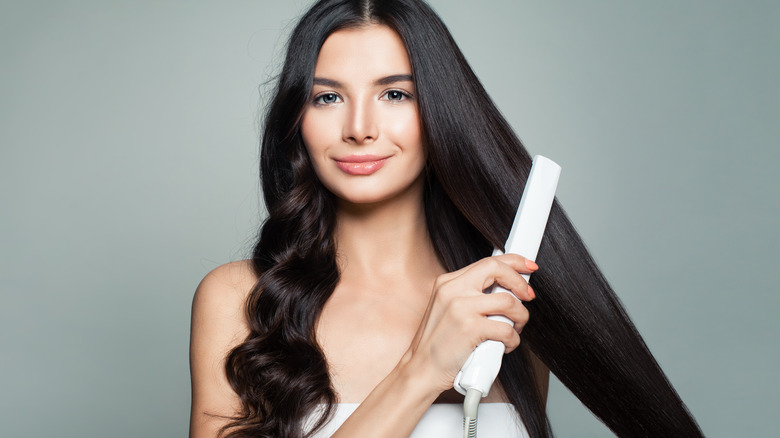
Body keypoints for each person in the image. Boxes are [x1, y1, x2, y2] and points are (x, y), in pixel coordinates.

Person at [189, 0, 704, 437]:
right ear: (297, 119)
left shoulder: (505, 303)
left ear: (438, 109)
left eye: (395, 94)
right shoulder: (239, 300)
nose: (360, 127)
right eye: (327, 97)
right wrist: (422, 370)